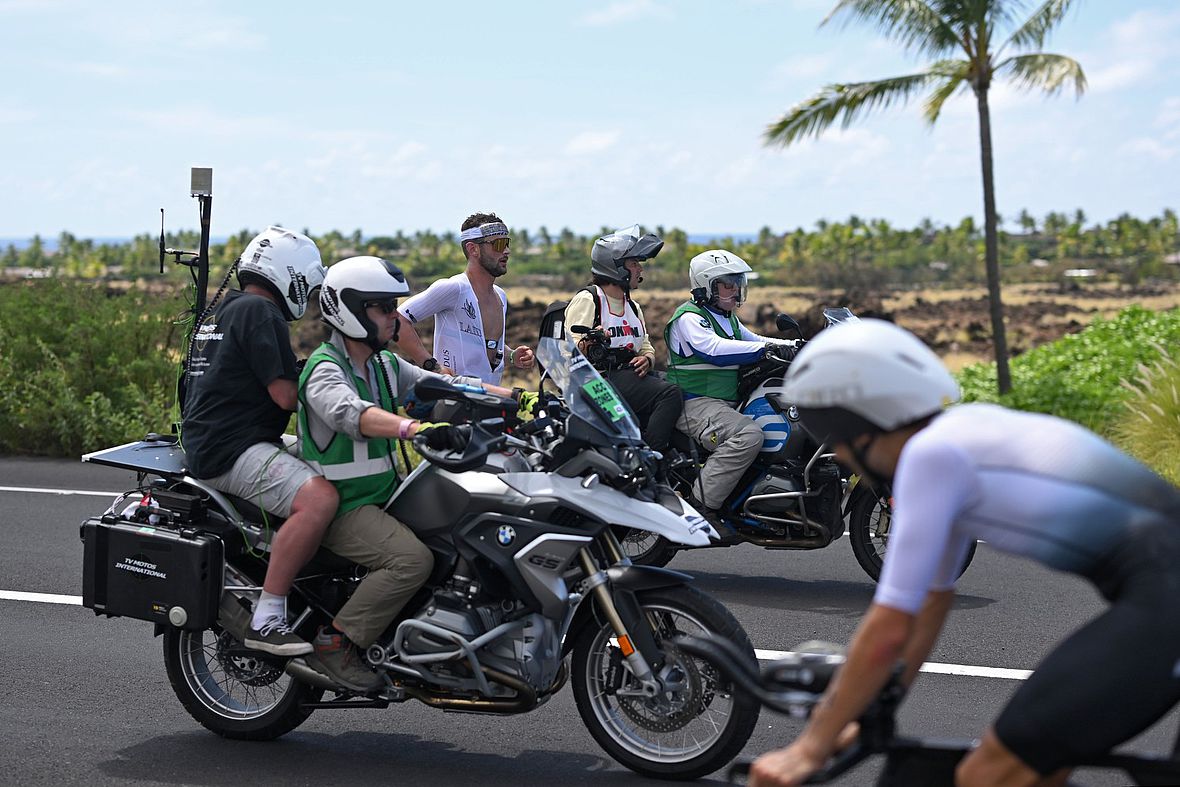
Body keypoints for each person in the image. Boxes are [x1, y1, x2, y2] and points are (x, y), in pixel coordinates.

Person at [750, 318, 1180, 787]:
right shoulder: (961, 435)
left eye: (832, 440)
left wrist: (809, 748)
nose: (841, 458)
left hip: (1166, 600)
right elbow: (929, 603)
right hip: (1160, 590)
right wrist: (873, 710)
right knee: (1039, 766)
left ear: (861, 429)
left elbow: (890, 625)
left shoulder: (930, 458)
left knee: (989, 773)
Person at [300, 255, 522, 691]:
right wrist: (415, 428)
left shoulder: (382, 364)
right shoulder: (326, 368)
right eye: (384, 309)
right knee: (411, 561)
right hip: (342, 505)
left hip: (384, 495)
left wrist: (516, 398)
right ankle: (337, 643)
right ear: (351, 310)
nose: (393, 319)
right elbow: (351, 414)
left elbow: (445, 383)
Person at [181, 226, 337, 657]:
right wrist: (331, 376)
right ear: (293, 275)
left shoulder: (226, 309)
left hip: (214, 440)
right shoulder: (260, 312)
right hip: (234, 449)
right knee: (320, 499)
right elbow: (286, 394)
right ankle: (268, 617)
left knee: (331, 466)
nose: (306, 300)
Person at [663, 249, 792, 520]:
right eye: (727, 284)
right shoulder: (689, 318)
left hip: (722, 403)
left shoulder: (727, 318)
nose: (735, 290)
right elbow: (713, 349)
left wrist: (801, 345)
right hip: (694, 404)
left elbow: (754, 339)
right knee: (748, 435)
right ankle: (701, 508)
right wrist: (765, 350)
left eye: (737, 283)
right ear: (706, 287)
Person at [563, 225, 682, 453]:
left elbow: (644, 343)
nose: (639, 269)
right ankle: (651, 455)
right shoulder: (589, 300)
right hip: (596, 381)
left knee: (677, 383)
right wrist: (589, 343)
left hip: (627, 376)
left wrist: (647, 358)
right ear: (615, 267)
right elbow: (567, 349)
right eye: (634, 263)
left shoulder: (633, 307)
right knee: (670, 393)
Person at [395, 212, 534, 385]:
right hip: (453, 403)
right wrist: (431, 365)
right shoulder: (453, 289)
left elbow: (483, 344)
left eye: (507, 243)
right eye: (498, 244)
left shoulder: (500, 296)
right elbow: (399, 320)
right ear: (473, 249)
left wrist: (512, 355)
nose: (506, 251)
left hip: (491, 401)